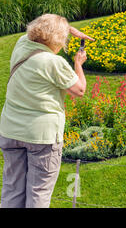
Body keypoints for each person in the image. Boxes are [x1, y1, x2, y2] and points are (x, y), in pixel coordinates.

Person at [0, 14, 94, 208]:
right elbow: (80, 90)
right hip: (41, 137)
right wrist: (78, 63)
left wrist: (67, 28)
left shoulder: (21, 45)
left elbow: (43, 27)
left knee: (12, 189)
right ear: (58, 39)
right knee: (38, 194)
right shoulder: (54, 63)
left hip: (10, 131)